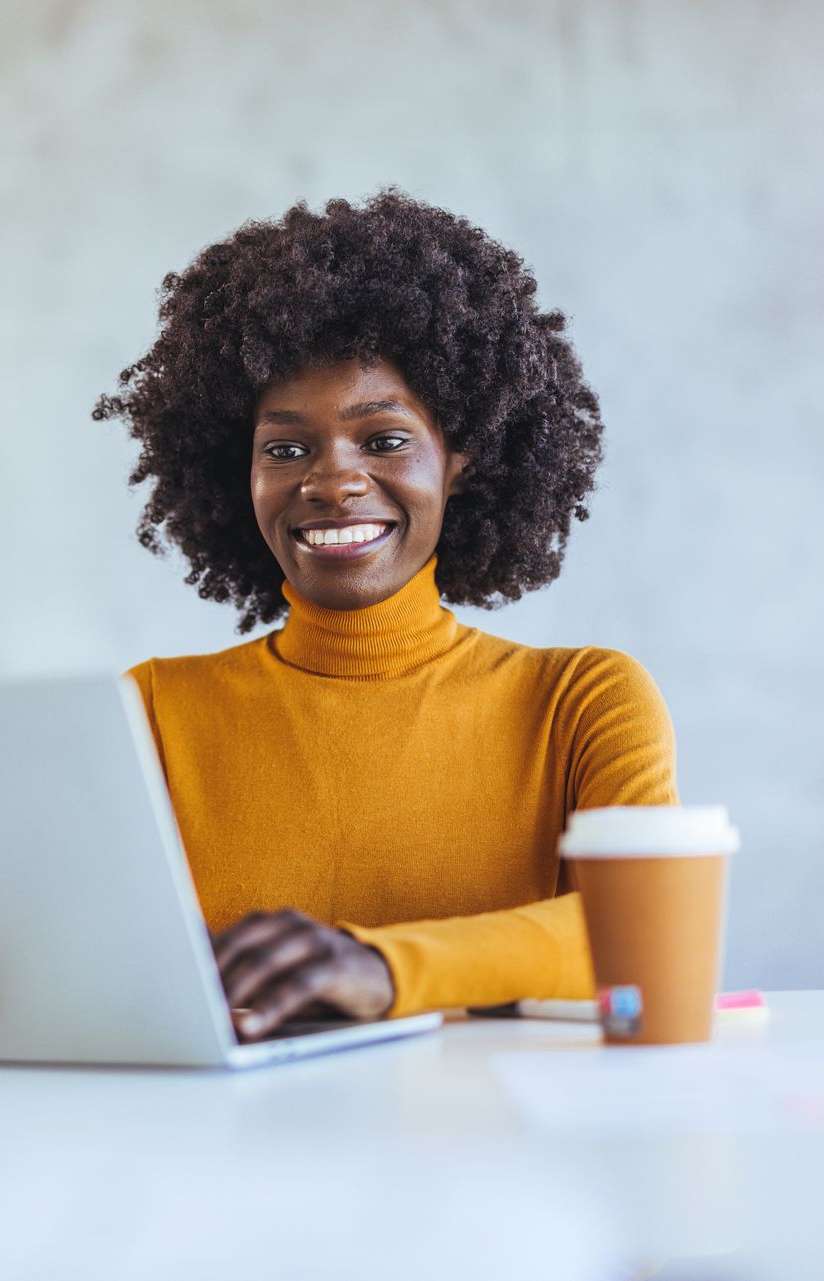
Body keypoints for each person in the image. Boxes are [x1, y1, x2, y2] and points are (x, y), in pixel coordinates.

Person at [93, 189, 677, 1042]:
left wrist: (379, 969)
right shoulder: (149, 713)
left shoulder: (581, 700)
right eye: (284, 448)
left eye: (384, 438)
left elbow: (641, 934)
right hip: (231, 1160)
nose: (331, 480)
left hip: (504, 1155)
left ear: (462, 459)